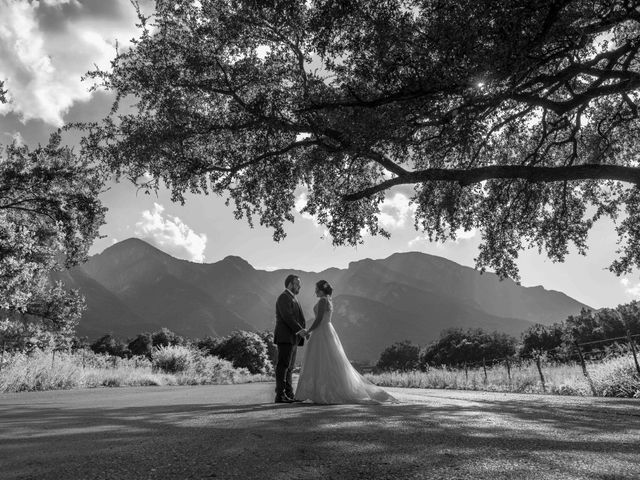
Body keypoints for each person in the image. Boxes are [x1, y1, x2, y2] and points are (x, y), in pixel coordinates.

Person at [295, 280, 397, 404]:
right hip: (326, 331)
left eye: (316, 289)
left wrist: (308, 331)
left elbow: (319, 319)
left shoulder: (322, 301)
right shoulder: (328, 300)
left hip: (321, 331)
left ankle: (323, 392)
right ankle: (324, 391)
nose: (314, 291)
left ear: (321, 289)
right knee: (328, 361)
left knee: (321, 360)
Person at [274, 274, 307, 403]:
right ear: (290, 284)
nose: (300, 286)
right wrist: (300, 330)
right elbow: (288, 317)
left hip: (293, 338)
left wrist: (300, 332)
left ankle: (289, 394)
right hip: (285, 337)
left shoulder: (293, 298)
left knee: (290, 367)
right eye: (297, 284)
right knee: (283, 366)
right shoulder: (283, 297)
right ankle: (280, 395)